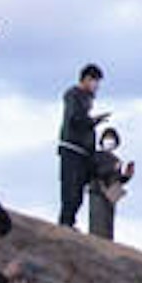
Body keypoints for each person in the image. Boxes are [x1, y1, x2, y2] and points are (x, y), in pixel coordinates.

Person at [54, 62, 100, 225]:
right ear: (87, 79)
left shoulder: (85, 98)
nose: (97, 86)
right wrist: (92, 121)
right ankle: (65, 223)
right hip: (71, 148)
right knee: (71, 191)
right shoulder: (74, 94)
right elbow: (75, 119)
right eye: (95, 81)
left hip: (82, 151)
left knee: (78, 193)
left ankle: (69, 222)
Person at [85, 122, 132, 242]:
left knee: (108, 224)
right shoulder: (96, 156)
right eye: (107, 138)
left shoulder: (116, 160)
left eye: (112, 139)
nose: (110, 141)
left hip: (111, 195)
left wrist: (126, 176)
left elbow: (116, 180)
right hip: (97, 192)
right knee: (98, 223)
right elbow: (95, 173)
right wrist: (111, 169)